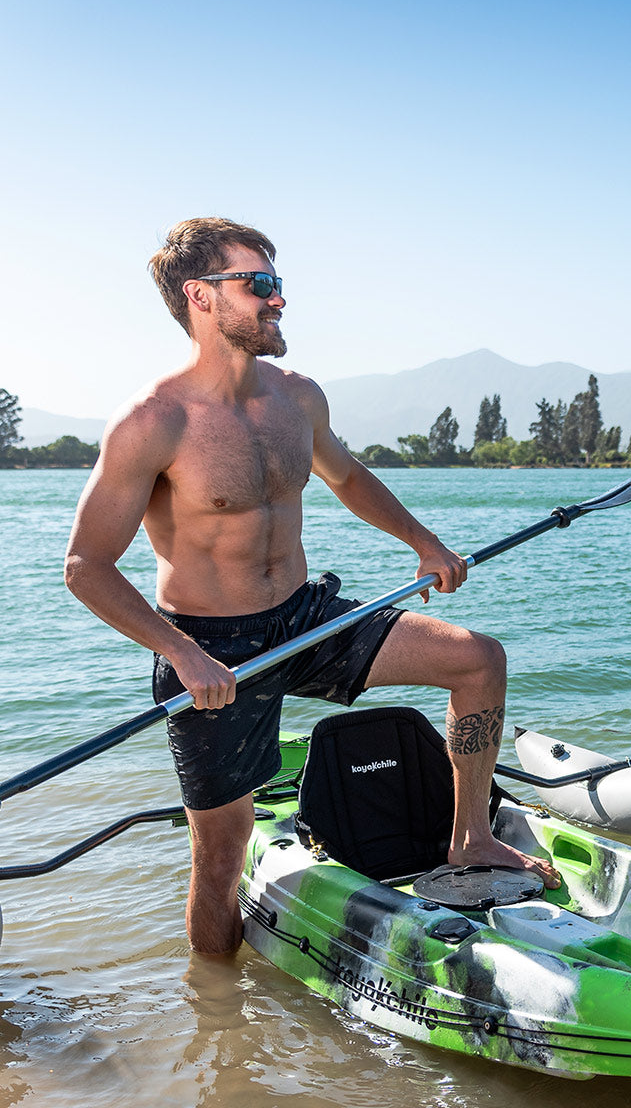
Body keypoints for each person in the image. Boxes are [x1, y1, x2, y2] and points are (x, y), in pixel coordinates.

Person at [63, 216, 559, 955]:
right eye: (257, 284)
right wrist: (183, 654)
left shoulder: (297, 398)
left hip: (307, 618)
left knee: (477, 660)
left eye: (278, 283)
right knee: (222, 858)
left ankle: (470, 839)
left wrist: (422, 543)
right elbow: (86, 568)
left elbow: (348, 477)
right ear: (201, 297)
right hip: (211, 652)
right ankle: (221, 1028)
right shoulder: (153, 421)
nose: (277, 300)